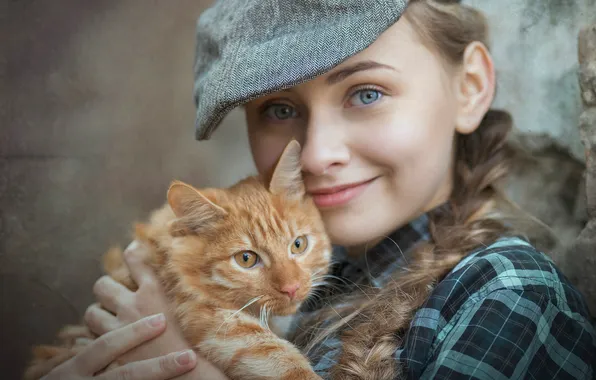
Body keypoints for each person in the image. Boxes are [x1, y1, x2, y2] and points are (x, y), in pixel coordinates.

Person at [43, 0, 595, 379]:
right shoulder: (317, 285)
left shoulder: (506, 296)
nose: (313, 154)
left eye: (367, 92)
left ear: (470, 88)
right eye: (278, 109)